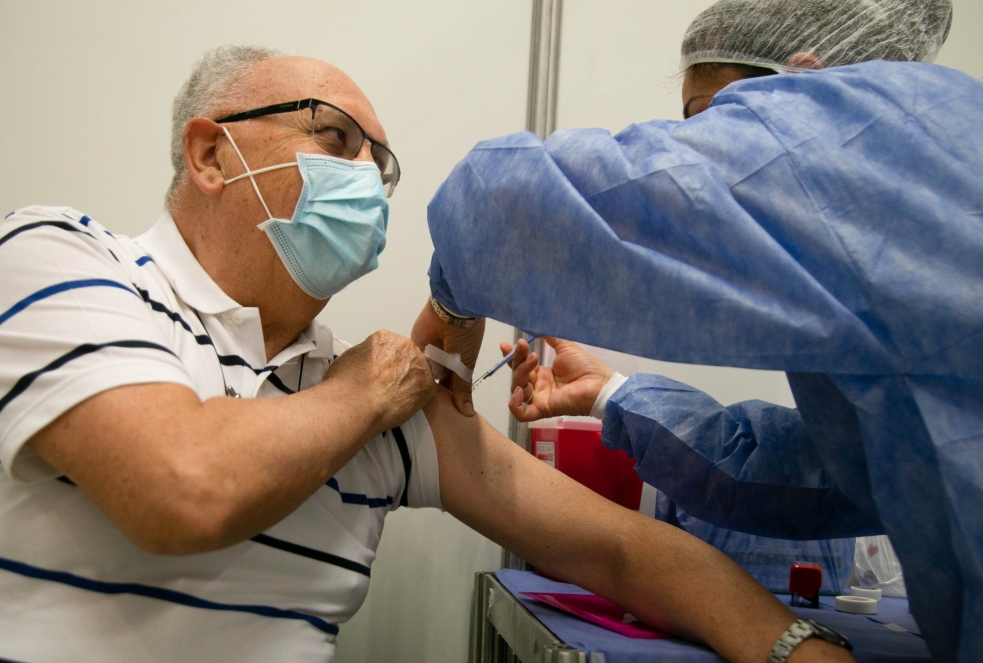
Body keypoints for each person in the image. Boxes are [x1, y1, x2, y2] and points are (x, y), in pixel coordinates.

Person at [0, 46, 850, 663]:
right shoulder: (59, 261)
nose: (369, 178)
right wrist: (361, 393)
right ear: (211, 153)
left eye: (382, 164)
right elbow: (181, 486)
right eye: (336, 139)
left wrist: (794, 646)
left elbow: (626, 552)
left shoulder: (385, 403)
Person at [412, 0, 983, 660]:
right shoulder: (938, 158)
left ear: (803, 83)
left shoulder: (861, 141)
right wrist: (607, 394)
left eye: (716, 118)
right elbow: (840, 473)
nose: (704, 150)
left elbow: (496, 212)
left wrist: (451, 316)